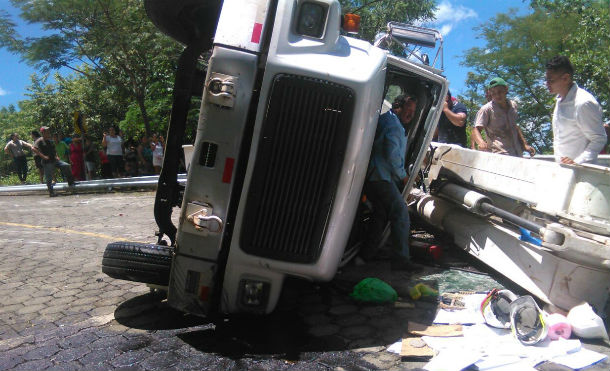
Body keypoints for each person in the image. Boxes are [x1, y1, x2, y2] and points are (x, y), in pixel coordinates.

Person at [360, 94, 422, 271]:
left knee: (380, 214)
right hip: (381, 178)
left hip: (375, 176)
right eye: (408, 109)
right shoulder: (393, 125)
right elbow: (392, 155)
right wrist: (403, 176)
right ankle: (401, 260)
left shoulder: (386, 120)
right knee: (400, 213)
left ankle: (366, 255)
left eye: (413, 111)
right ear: (398, 107)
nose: (410, 114)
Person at [545, 55, 607, 164]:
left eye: (550, 80)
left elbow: (599, 139)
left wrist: (577, 162)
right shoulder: (559, 100)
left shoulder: (583, 103)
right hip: (564, 170)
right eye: (546, 79)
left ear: (566, 78)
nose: (546, 84)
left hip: (583, 173)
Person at [473, 77, 536, 157]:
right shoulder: (486, 109)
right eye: (493, 93)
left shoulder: (513, 105)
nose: (497, 95)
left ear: (506, 89)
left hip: (517, 153)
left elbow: (515, 127)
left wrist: (524, 145)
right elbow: (476, 129)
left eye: (500, 92)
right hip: (499, 154)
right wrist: (481, 142)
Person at [32, 126, 75, 197]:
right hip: (47, 161)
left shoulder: (50, 140)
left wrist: (56, 156)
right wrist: (43, 156)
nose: (48, 132)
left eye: (48, 131)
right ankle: (51, 192)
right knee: (49, 177)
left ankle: (71, 183)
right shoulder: (40, 140)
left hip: (54, 159)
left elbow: (54, 149)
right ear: (43, 133)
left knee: (66, 166)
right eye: (46, 131)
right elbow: (33, 148)